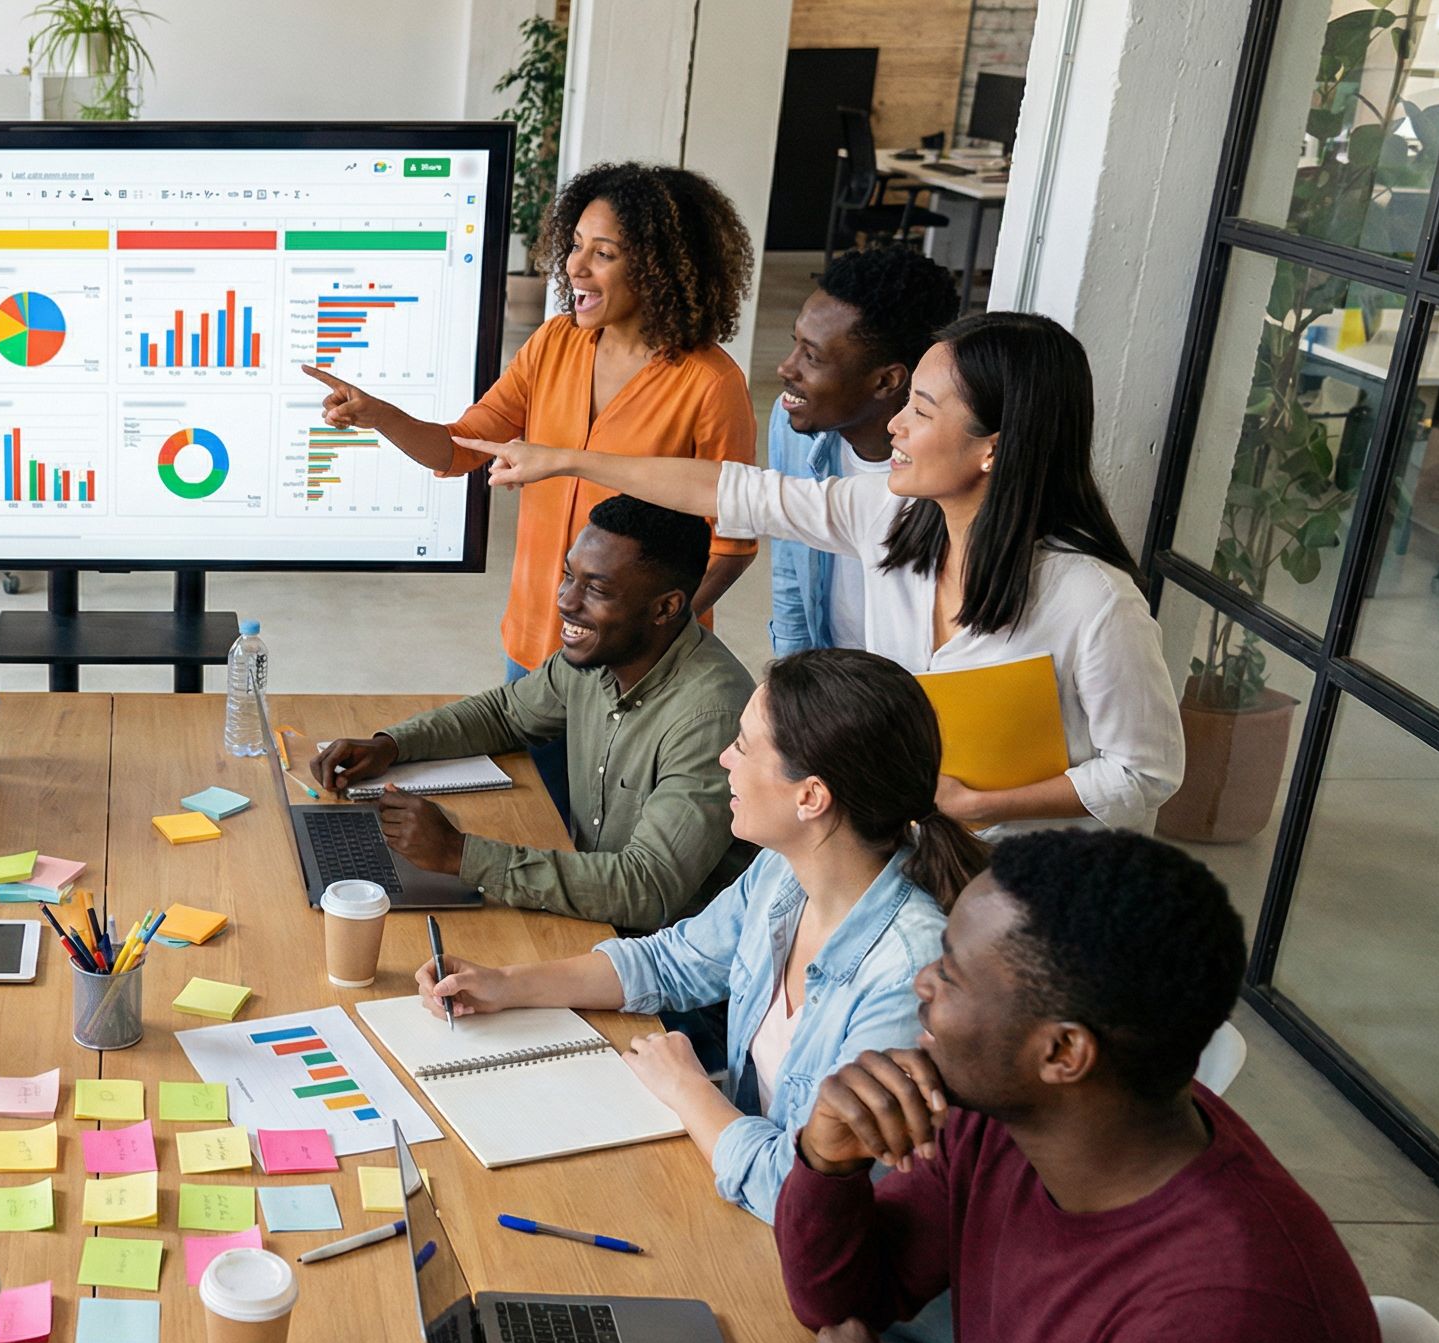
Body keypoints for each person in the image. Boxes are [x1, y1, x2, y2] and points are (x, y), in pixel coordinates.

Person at [776, 830, 1385, 1343]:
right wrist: (831, 1163)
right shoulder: (1019, 1120)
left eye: (950, 971)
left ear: (1063, 1051)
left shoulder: (1230, 1321)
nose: (921, 982)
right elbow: (844, 1302)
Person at [457, 310, 1183, 836]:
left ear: (993, 448)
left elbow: (1146, 773)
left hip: (1031, 882)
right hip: (915, 845)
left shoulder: (1094, 601)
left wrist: (985, 804)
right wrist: (569, 458)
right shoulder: (891, 519)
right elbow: (732, 490)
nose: (894, 425)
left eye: (921, 412)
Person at [414, 647, 988, 1224]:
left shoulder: (907, 978)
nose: (724, 758)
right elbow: (673, 963)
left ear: (809, 796)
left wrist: (689, 1088)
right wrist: (504, 984)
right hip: (739, 1195)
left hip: (815, 1257)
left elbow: (799, 1192)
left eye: (743, 745)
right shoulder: (784, 869)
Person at [302, 163, 756, 811]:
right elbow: (462, 447)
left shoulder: (711, 384)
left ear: (659, 265)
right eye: (574, 245)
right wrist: (379, 414)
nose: (576, 267)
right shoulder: (553, 345)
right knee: (536, 817)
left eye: (604, 253)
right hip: (536, 647)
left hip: (638, 667)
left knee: (607, 838)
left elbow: (733, 544)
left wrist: (659, 640)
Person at [312, 495, 753, 930]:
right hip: (595, 915)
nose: (565, 601)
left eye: (595, 589)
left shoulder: (710, 718)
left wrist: (461, 855)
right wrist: (391, 745)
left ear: (665, 608)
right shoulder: (602, 655)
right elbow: (505, 713)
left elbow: (647, 889)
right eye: (568, 576)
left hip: (663, 961)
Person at [765, 246, 961, 655]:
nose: (786, 368)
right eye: (795, 344)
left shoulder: (952, 469)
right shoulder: (791, 425)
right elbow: (789, 563)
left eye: (812, 356)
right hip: (833, 676)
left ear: (886, 382)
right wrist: (791, 669)